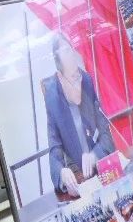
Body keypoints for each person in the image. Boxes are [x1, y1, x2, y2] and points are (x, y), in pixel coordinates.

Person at [44, 35, 117, 199]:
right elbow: (54, 149)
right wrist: (61, 172)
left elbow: (106, 134)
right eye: (72, 78)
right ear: (60, 78)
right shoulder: (52, 98)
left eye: (77, 75)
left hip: (102, 168)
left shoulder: (86, 81)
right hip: (79, 177)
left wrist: (94, 155)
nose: (78, 84)